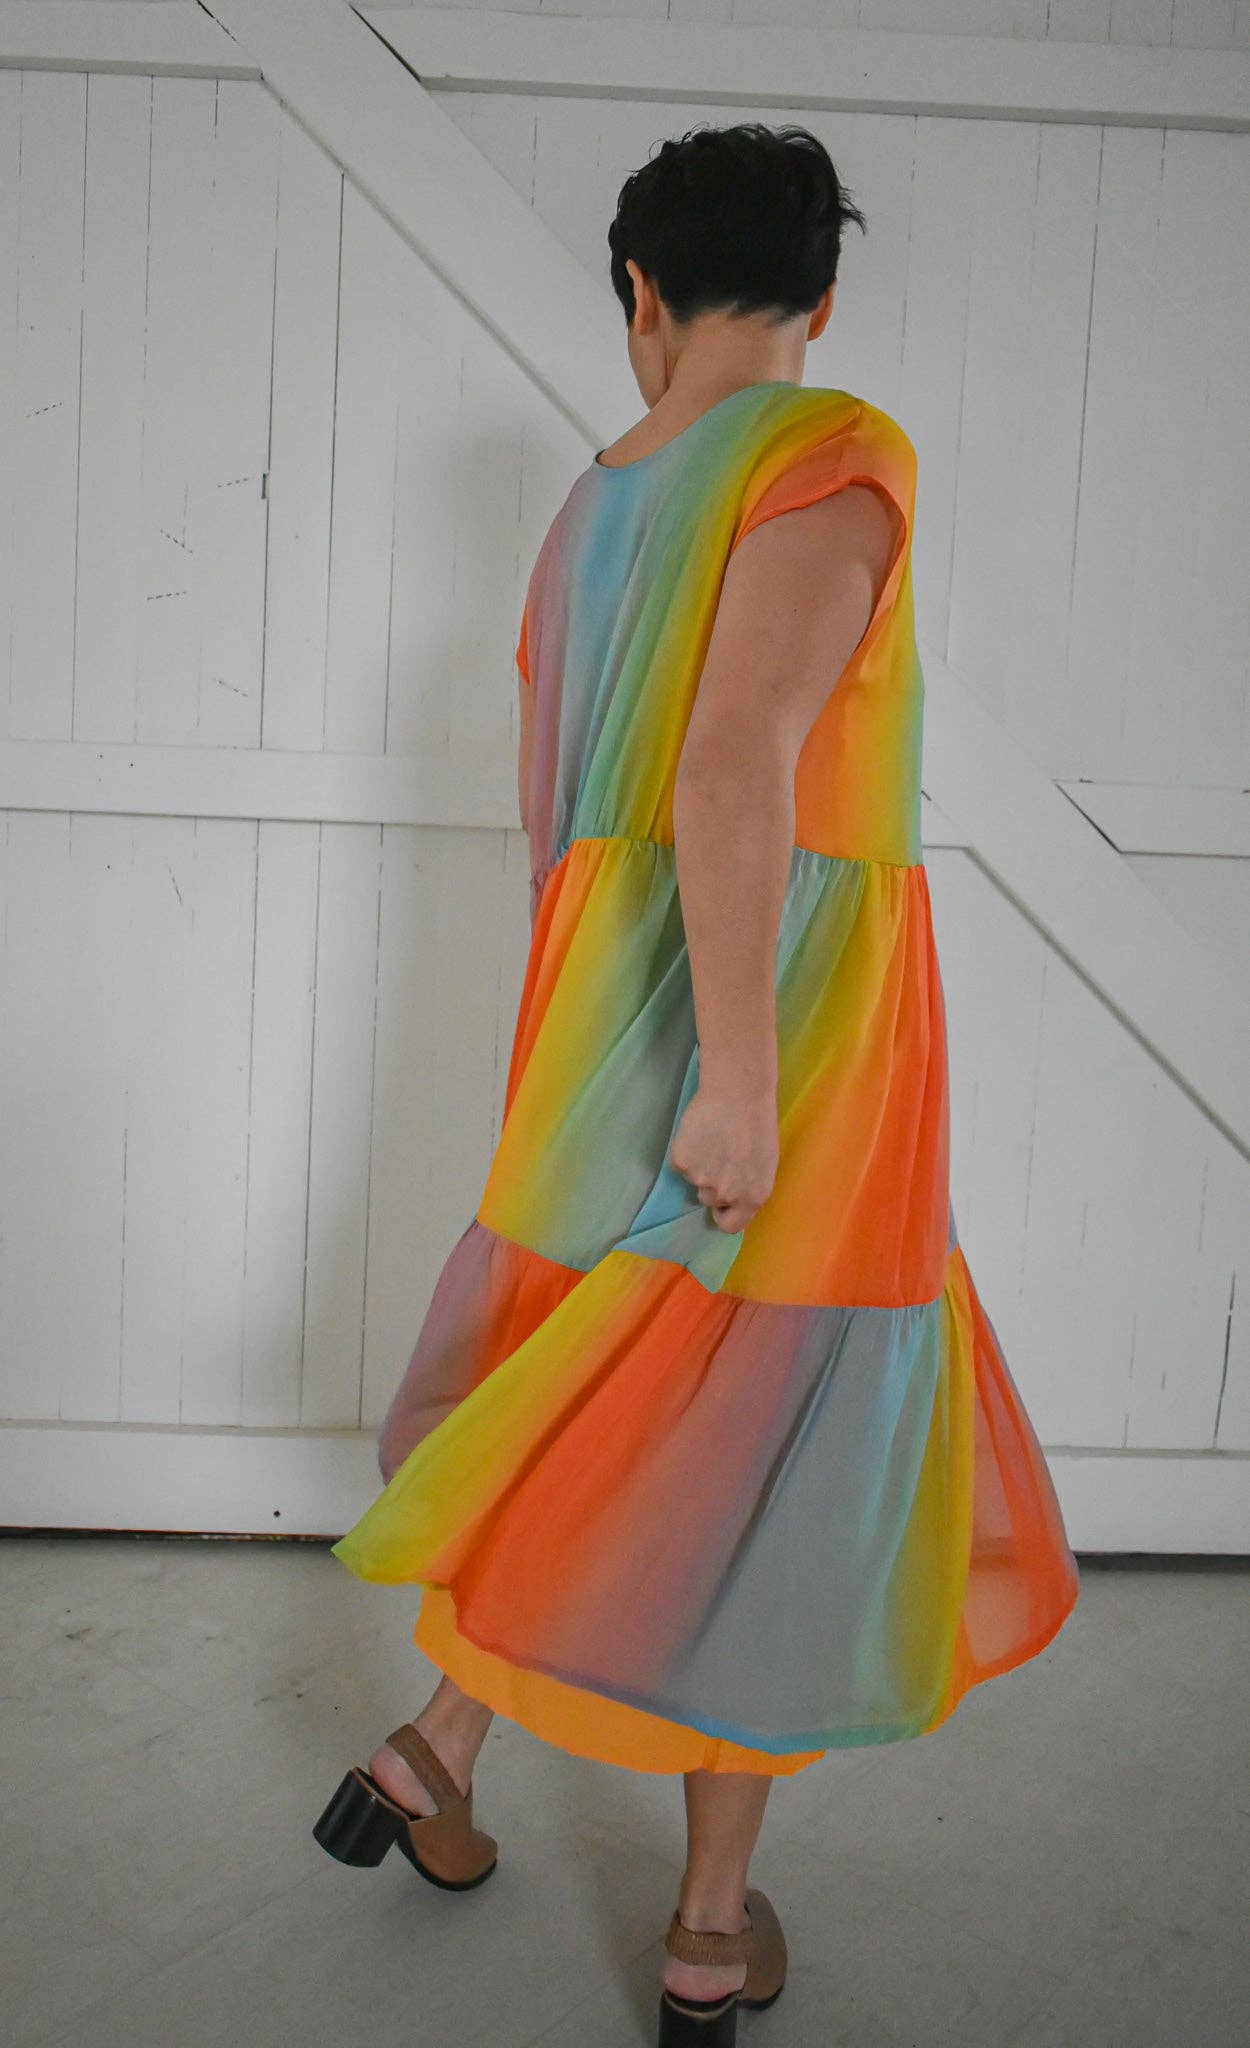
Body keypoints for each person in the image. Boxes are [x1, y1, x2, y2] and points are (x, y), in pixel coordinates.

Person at [314, 121, 1081, 2045]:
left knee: (607, 1405)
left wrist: (620, 1051)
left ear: (638, 296)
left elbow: (561, 818)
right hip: (783, 1025)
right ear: (820, 298)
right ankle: (706, 1931)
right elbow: (735, 760)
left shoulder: (595, 505)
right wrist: (739, 1080)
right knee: (768, 1465)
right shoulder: (833, 451)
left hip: (596, 1024)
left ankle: (435, 1748)